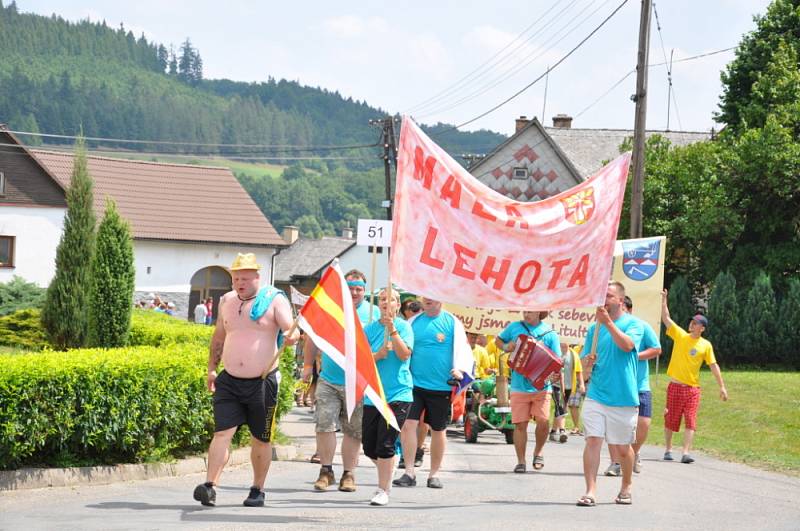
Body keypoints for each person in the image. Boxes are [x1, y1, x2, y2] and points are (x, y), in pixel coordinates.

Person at [193, 253, 298, 508]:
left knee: (260, 438)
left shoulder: (274, 300)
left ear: (257, 277)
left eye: (245, 278)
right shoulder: (227, 301)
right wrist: (211, 369)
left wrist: (292, 335)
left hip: (263, 381)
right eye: (236, 277)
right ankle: (210, 486)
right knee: (222, 432)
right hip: (229, 380)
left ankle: (257, 489)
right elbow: (218, 337)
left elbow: (290, 329)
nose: (240, 282)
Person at [302, 269, 379, 493]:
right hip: (329, 378)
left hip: (358, 381)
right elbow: (311, 338)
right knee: (324, 425)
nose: (354, 292)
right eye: (350, 288)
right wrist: (308, 366)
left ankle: (348, 474)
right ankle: (326, 471)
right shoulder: (330, 308)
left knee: (353, 430)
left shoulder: (373, 313)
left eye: (359, 288)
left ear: (365, 290)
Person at [393, 296, 471, 489]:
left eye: (433, 297)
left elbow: (463, 350)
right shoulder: (412, 322)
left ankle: (434, 474)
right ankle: (409, 471)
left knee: (438, 429)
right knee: (409, 424)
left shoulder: (452, 322)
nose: (428, 300)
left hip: (441, 386)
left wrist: (459, 369)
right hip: (413, 384)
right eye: (425, 297)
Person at [577, 281, 643, 507]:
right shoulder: (593, 329)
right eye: (602, 294)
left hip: (623, 398)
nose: (603, 299)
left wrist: (607, 323)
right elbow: (585, 363)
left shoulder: (634, 324)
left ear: (620, 301)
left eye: (609, 295)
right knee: (593, 440)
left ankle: (626, 485)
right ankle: (590, 491)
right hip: (597, 394)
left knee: (624, 449)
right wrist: (587, 362)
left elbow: (627, 346)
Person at [661, 289, 728, 464]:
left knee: (691, 420)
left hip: (692, 389)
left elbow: (713, 365)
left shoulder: (706, 345)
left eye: (696, 323)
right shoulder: (681, 335)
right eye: (692, 321)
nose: (692, 324)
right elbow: (666, 319)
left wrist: (722, 386)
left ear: (702, 328)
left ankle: (685, 453)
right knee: (671, 419)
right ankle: (668, 449)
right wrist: (664, 300)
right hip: (675, 386)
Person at [362, 288, 414, 506]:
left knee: (385, 444)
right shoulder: (369, 329)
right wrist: (378, 355)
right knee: (369, 447)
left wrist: (393, 331)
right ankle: (389, 465)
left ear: (397, 304)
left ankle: (382, 490)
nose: (385, 303)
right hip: (373, 393)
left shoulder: (404, 327)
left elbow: (405, 355)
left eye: (390, 299)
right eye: (382, 299)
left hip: (398, 393)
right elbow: (361, 360)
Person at [495, 311, 560, 473]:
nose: (526, 314)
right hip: (518, 385)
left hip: (542, 387)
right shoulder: (515, 327)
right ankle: (521, 461)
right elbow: (498, 340)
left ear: (539, 312)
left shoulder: (550, 333)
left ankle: (538, 451)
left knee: (543, 421)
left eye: (530, 311)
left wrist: (553, 375)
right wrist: (505, 346)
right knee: (520, 424)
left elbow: (558, 362)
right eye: (525, 311)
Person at [604, 295, 662, 476]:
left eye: (626, 311)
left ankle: (632, 452)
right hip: (617, 385)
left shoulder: (642, 326)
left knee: (643, 423)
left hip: (639, 384)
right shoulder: (609, 329)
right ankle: (616, 462)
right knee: (613, 426)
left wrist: (635, 356)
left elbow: (656, 349)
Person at [564, 344, 586, 435]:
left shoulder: (598, 347)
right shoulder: (576, 350)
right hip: (576, 381)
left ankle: (589, 429)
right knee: (573, 405)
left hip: (593, 380)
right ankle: (576, 427)